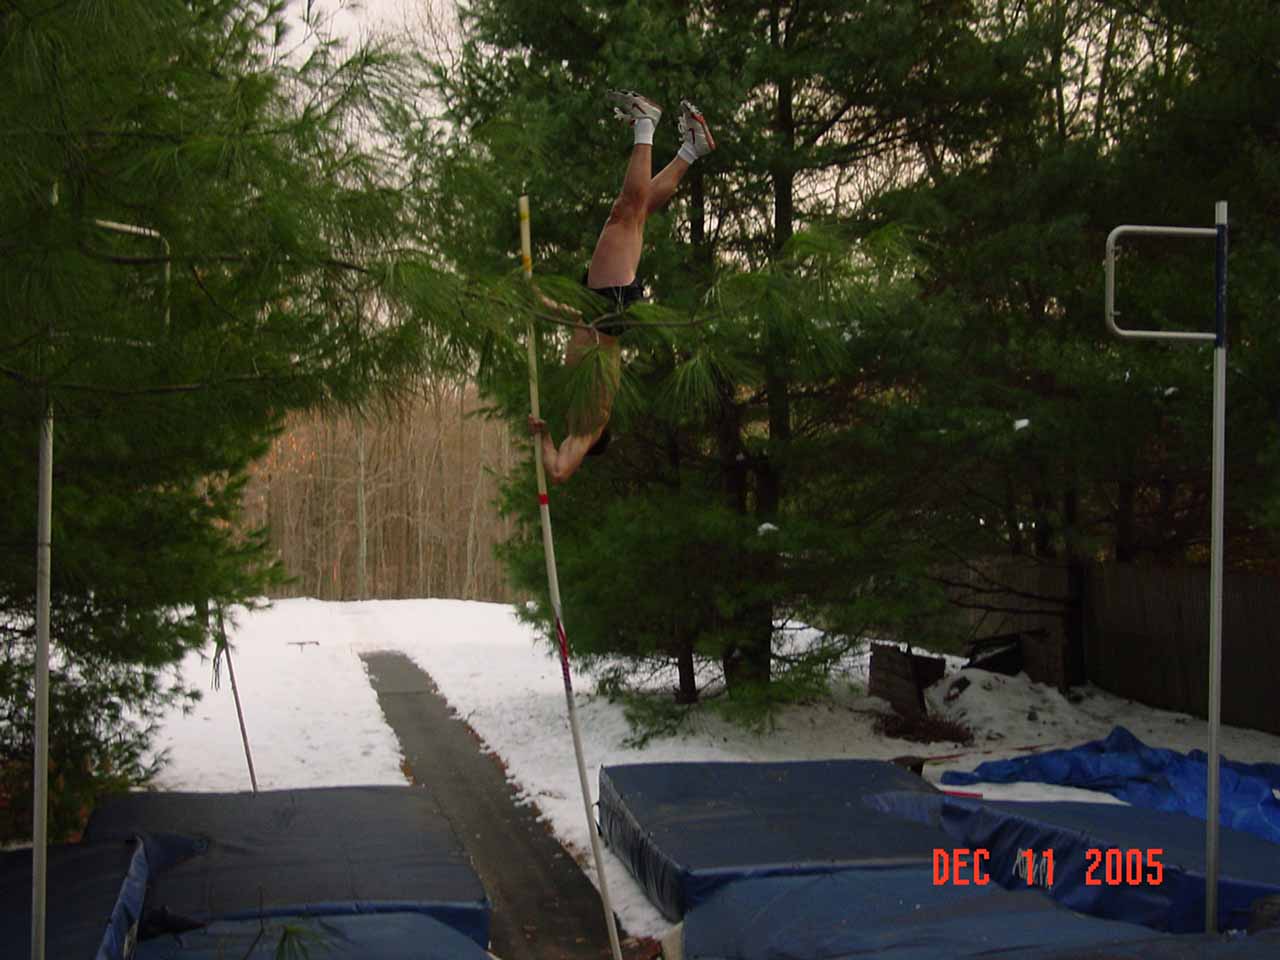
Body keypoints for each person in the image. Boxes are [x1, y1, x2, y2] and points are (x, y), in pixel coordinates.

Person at [528, 89, 715, 483]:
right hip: (607, 306)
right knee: (624, 214)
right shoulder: (589, 426)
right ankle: (645, 125)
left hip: (600, 311)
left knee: (636, 212)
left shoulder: (582, 396)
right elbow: (559, 471)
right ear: (593, 442)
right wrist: (545, 439)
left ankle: (691, 150)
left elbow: (575, 319)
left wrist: (539, 300)